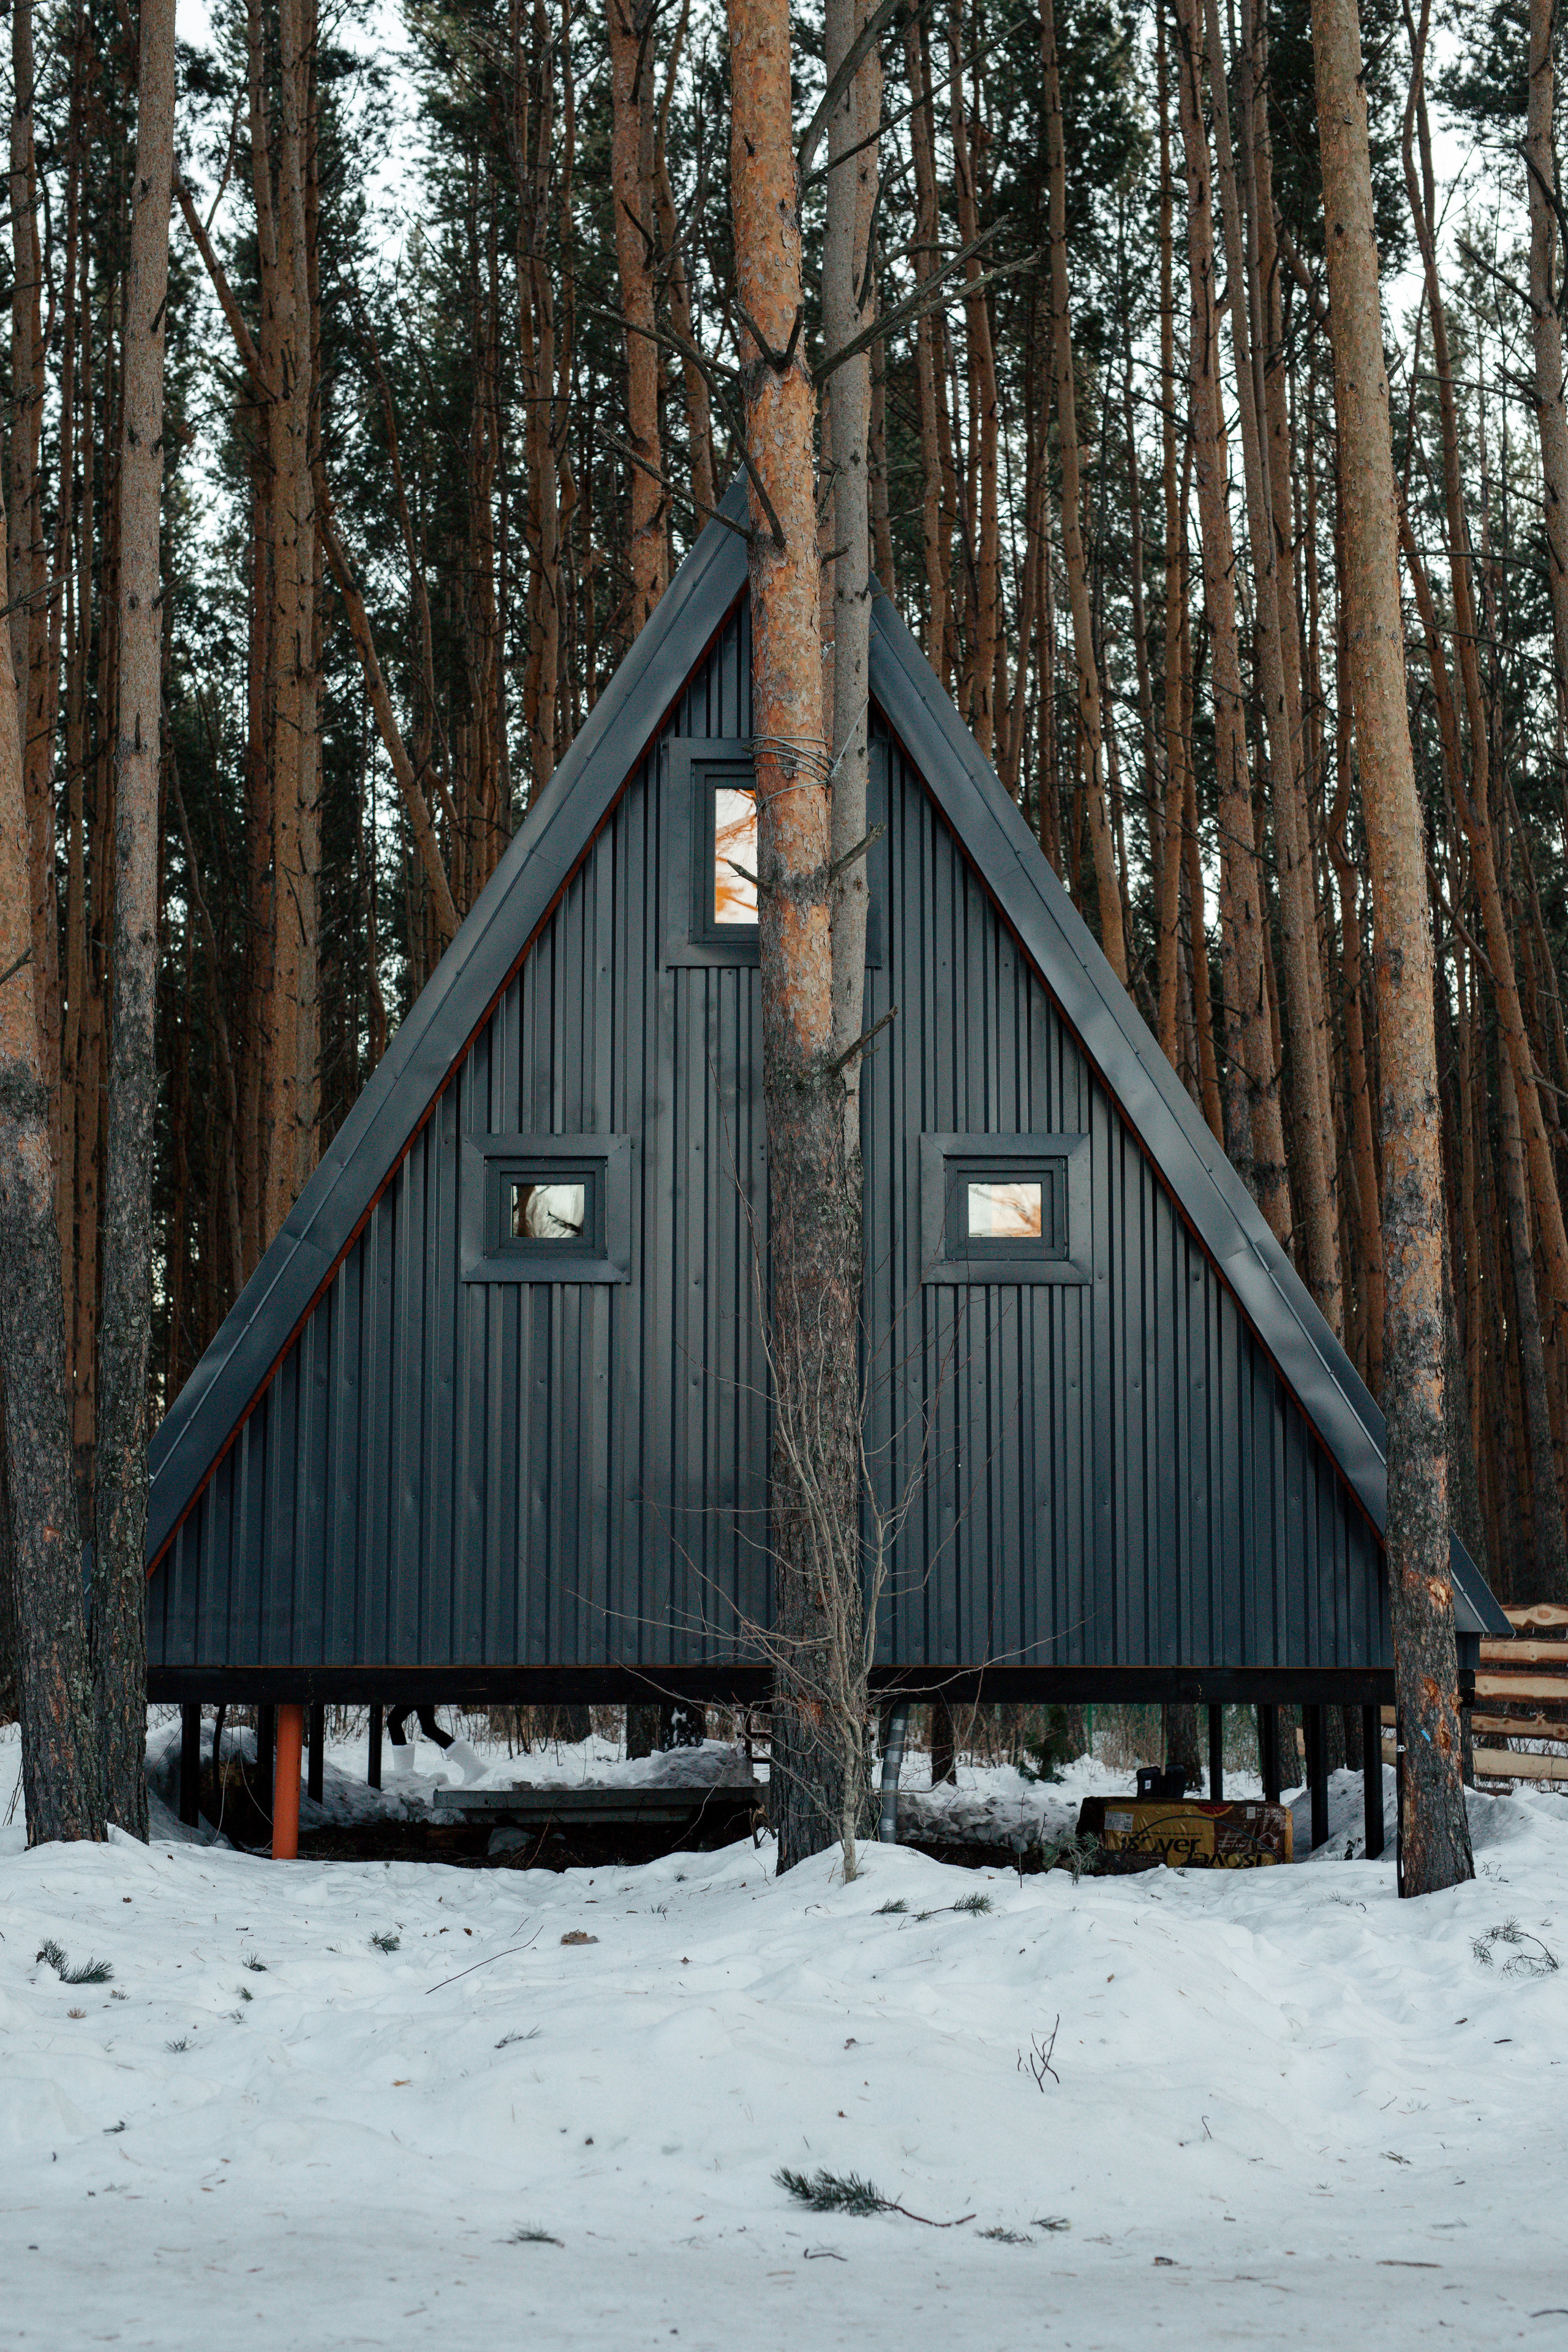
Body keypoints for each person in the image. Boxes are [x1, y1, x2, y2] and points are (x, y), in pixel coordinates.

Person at [385, 1705, 485, 1782]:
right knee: (428, 1728)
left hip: (418, 1687)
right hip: (421, 1686)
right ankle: (472, 1765)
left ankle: (404, 1775)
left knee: (394, 1721)